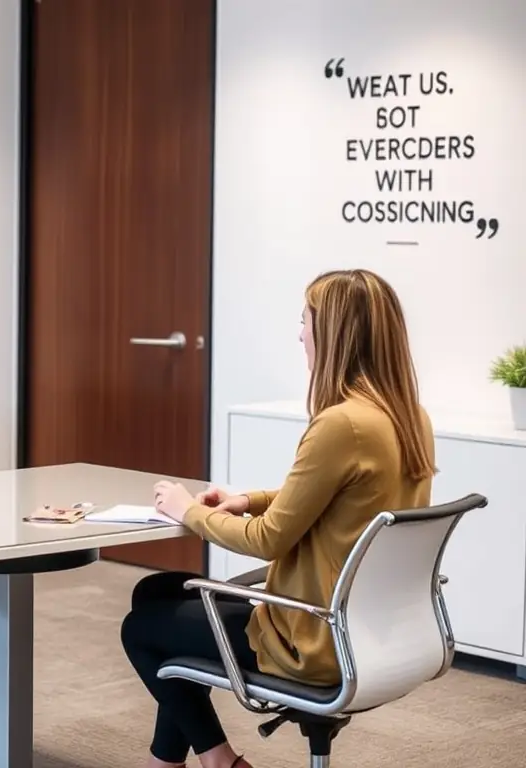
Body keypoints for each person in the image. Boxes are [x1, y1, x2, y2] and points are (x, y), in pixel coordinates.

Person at [120, 268, 436, 768]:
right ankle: (178, 762)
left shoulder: (341, 424)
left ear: (334, 333)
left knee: (140, 627)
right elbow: (336, 497)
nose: (299, 333)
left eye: (305, 320)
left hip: (312, 638)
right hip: (372, 627)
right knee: (157, 593)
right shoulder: (407, 415)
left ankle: (220, 762)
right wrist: (249, 499)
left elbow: (268, 541)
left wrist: (186, 511)